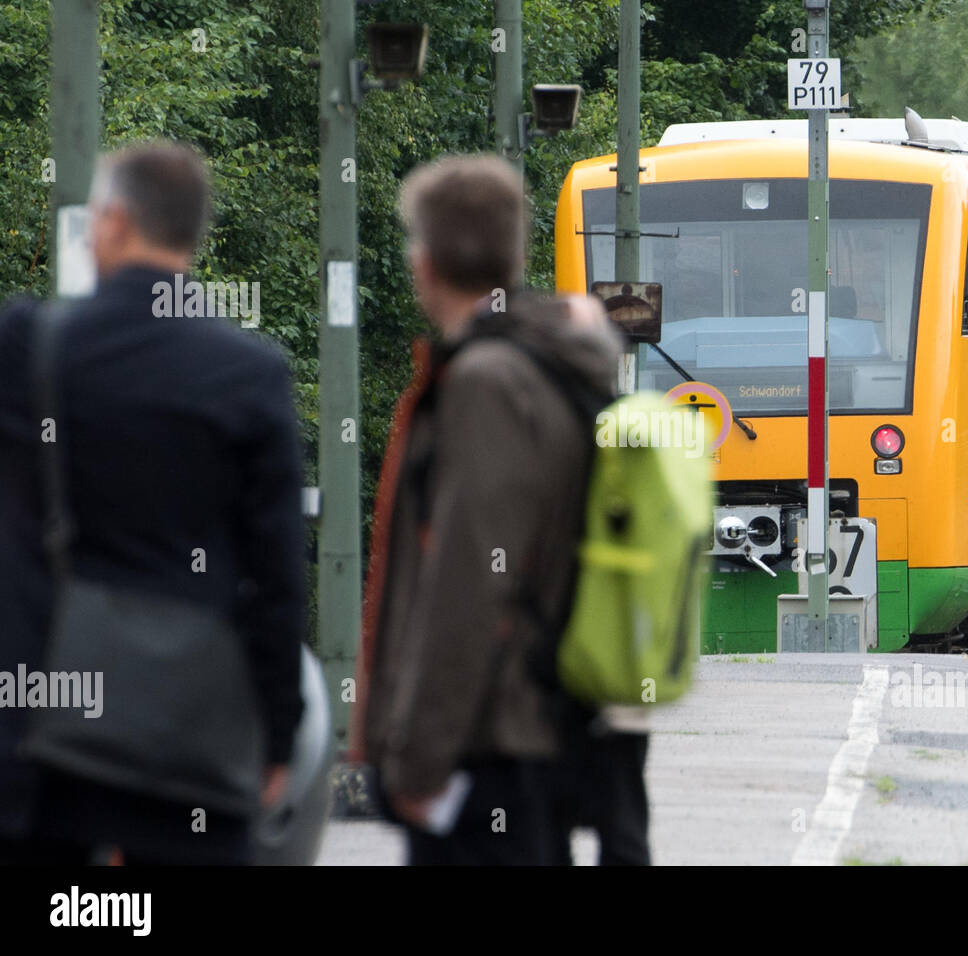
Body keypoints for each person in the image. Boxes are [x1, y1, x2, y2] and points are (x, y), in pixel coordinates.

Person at [0, 141, 305, 865]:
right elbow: (279, 576)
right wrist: (277, 732)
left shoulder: (30, 348)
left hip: (46, 724)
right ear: (192, 237)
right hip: (188, 733)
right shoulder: (251, 374)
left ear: (111, 222)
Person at [359, 154, 625, 865]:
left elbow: (472, 580)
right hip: (534, 728)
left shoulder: (486, 381)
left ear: (427, 262)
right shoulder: (548, 366)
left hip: (489, 744)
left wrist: (420, 758)